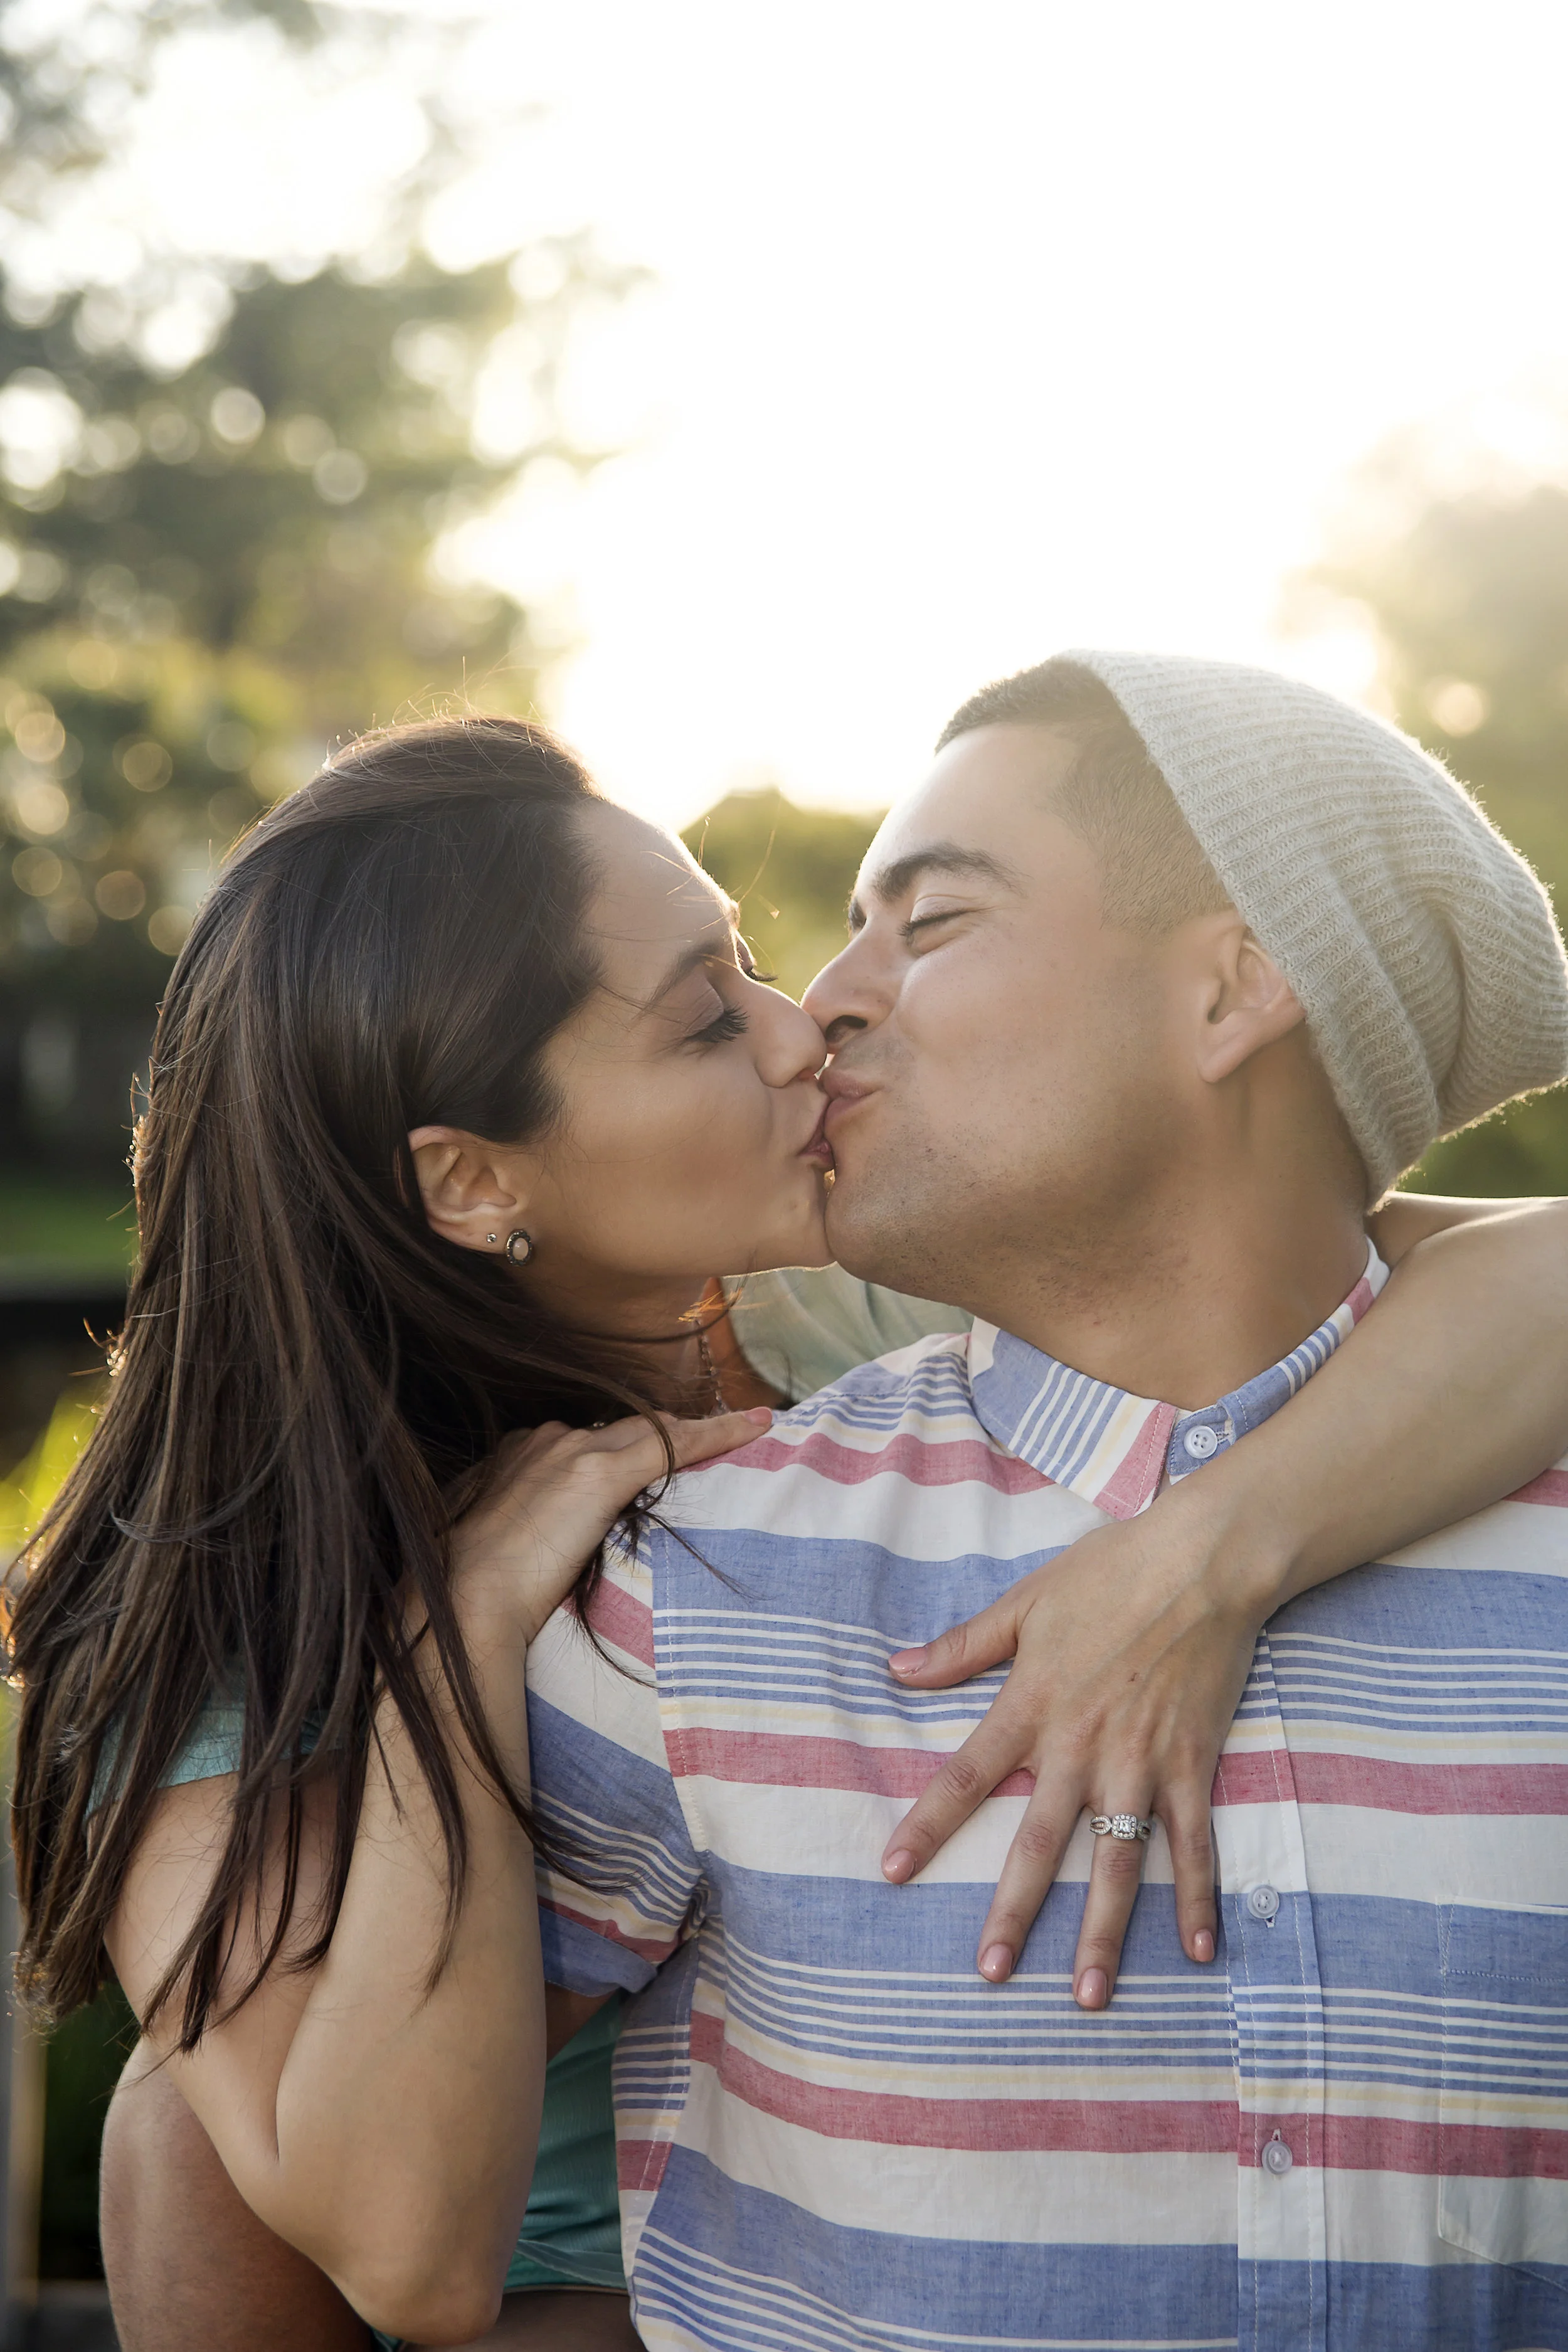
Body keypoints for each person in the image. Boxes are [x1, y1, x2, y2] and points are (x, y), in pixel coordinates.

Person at [8, 702, 1568, 2352]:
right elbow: (378, 2241)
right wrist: (454, 1638)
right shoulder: (249, 1613)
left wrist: (1196, 1554)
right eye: (702, 1022)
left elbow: (1491, 1267)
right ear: (472, 1181)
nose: (801, 1025)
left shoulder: (866, 1316)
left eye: (750, 956)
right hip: (586, 2293)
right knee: (179, 2129)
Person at [520, 654, 1568, 2352]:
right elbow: (272, 2159)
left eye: (927, 922)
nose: (816, 1008)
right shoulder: (697, 1572)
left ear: (1234, 990)